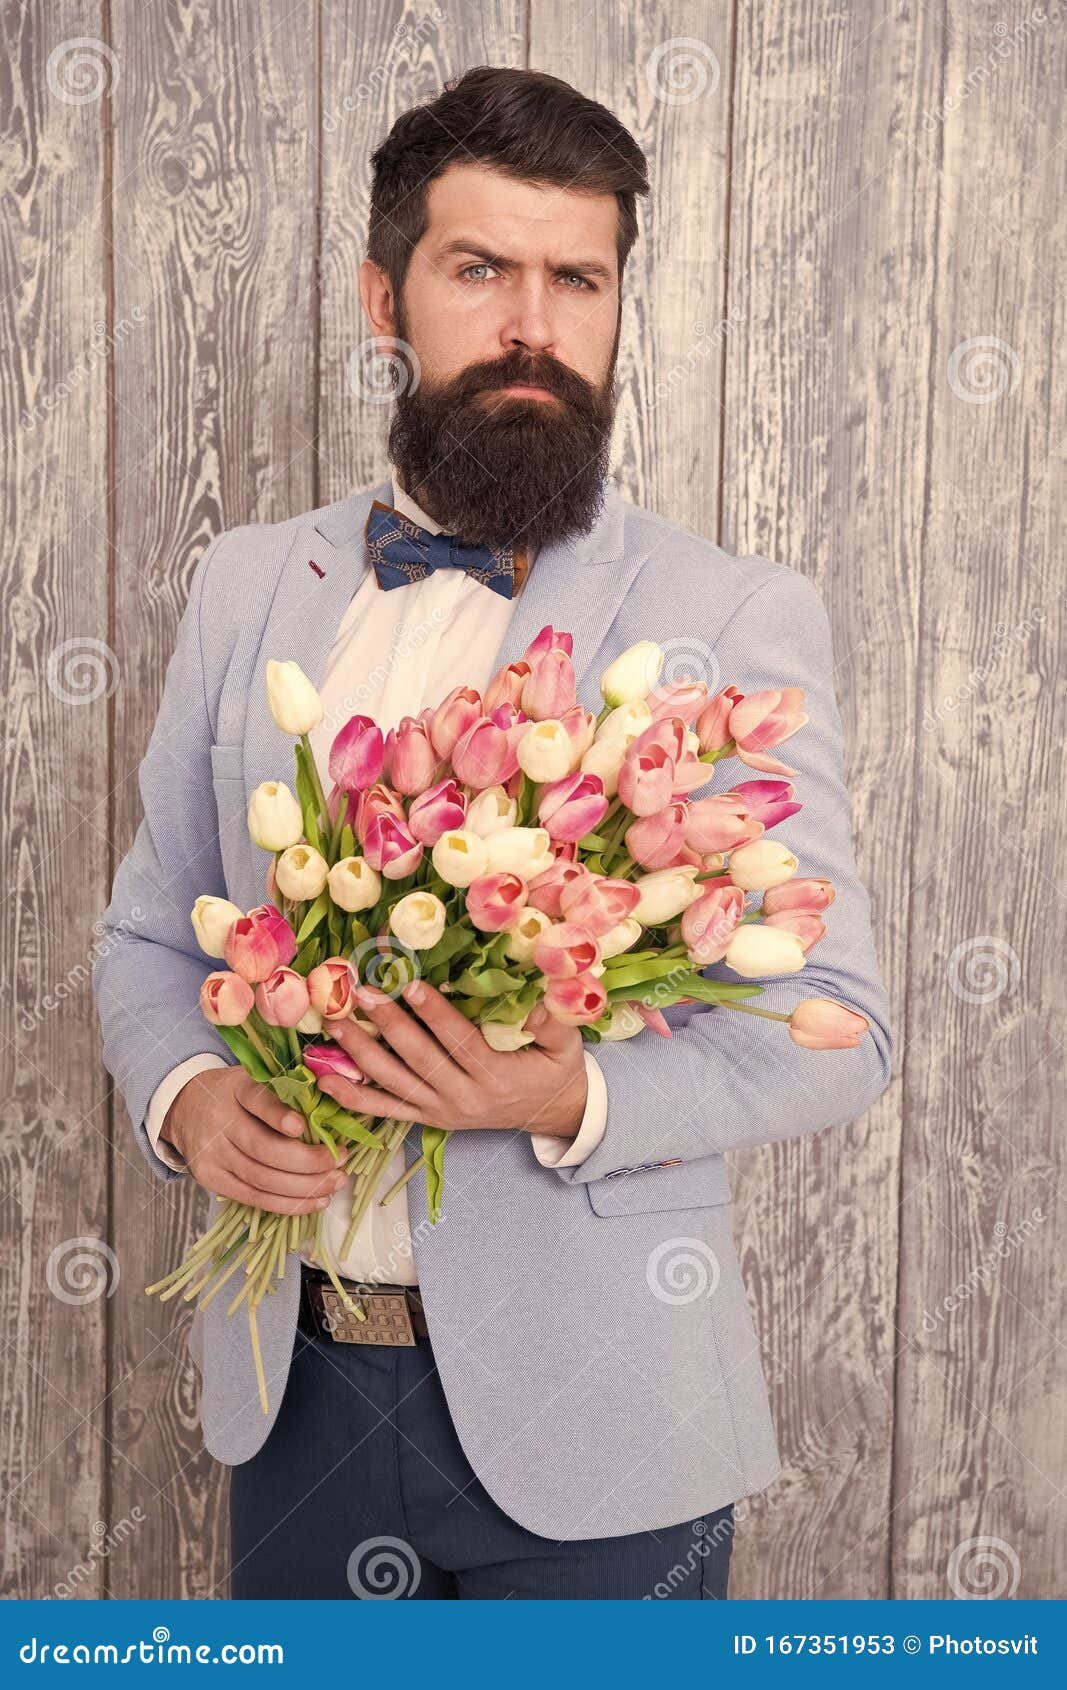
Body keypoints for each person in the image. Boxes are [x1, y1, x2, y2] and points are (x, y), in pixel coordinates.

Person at [93, 66, 892, 1601]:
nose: (534, 322)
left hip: (609, 1424)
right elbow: (148, 931)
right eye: (482, 271)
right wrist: (192, 1098)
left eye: (575, 279)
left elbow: (839, 1027)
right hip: (294, 1399)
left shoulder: (728, 617)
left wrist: (569, 1088)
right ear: (384, 296)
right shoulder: (250, 583)